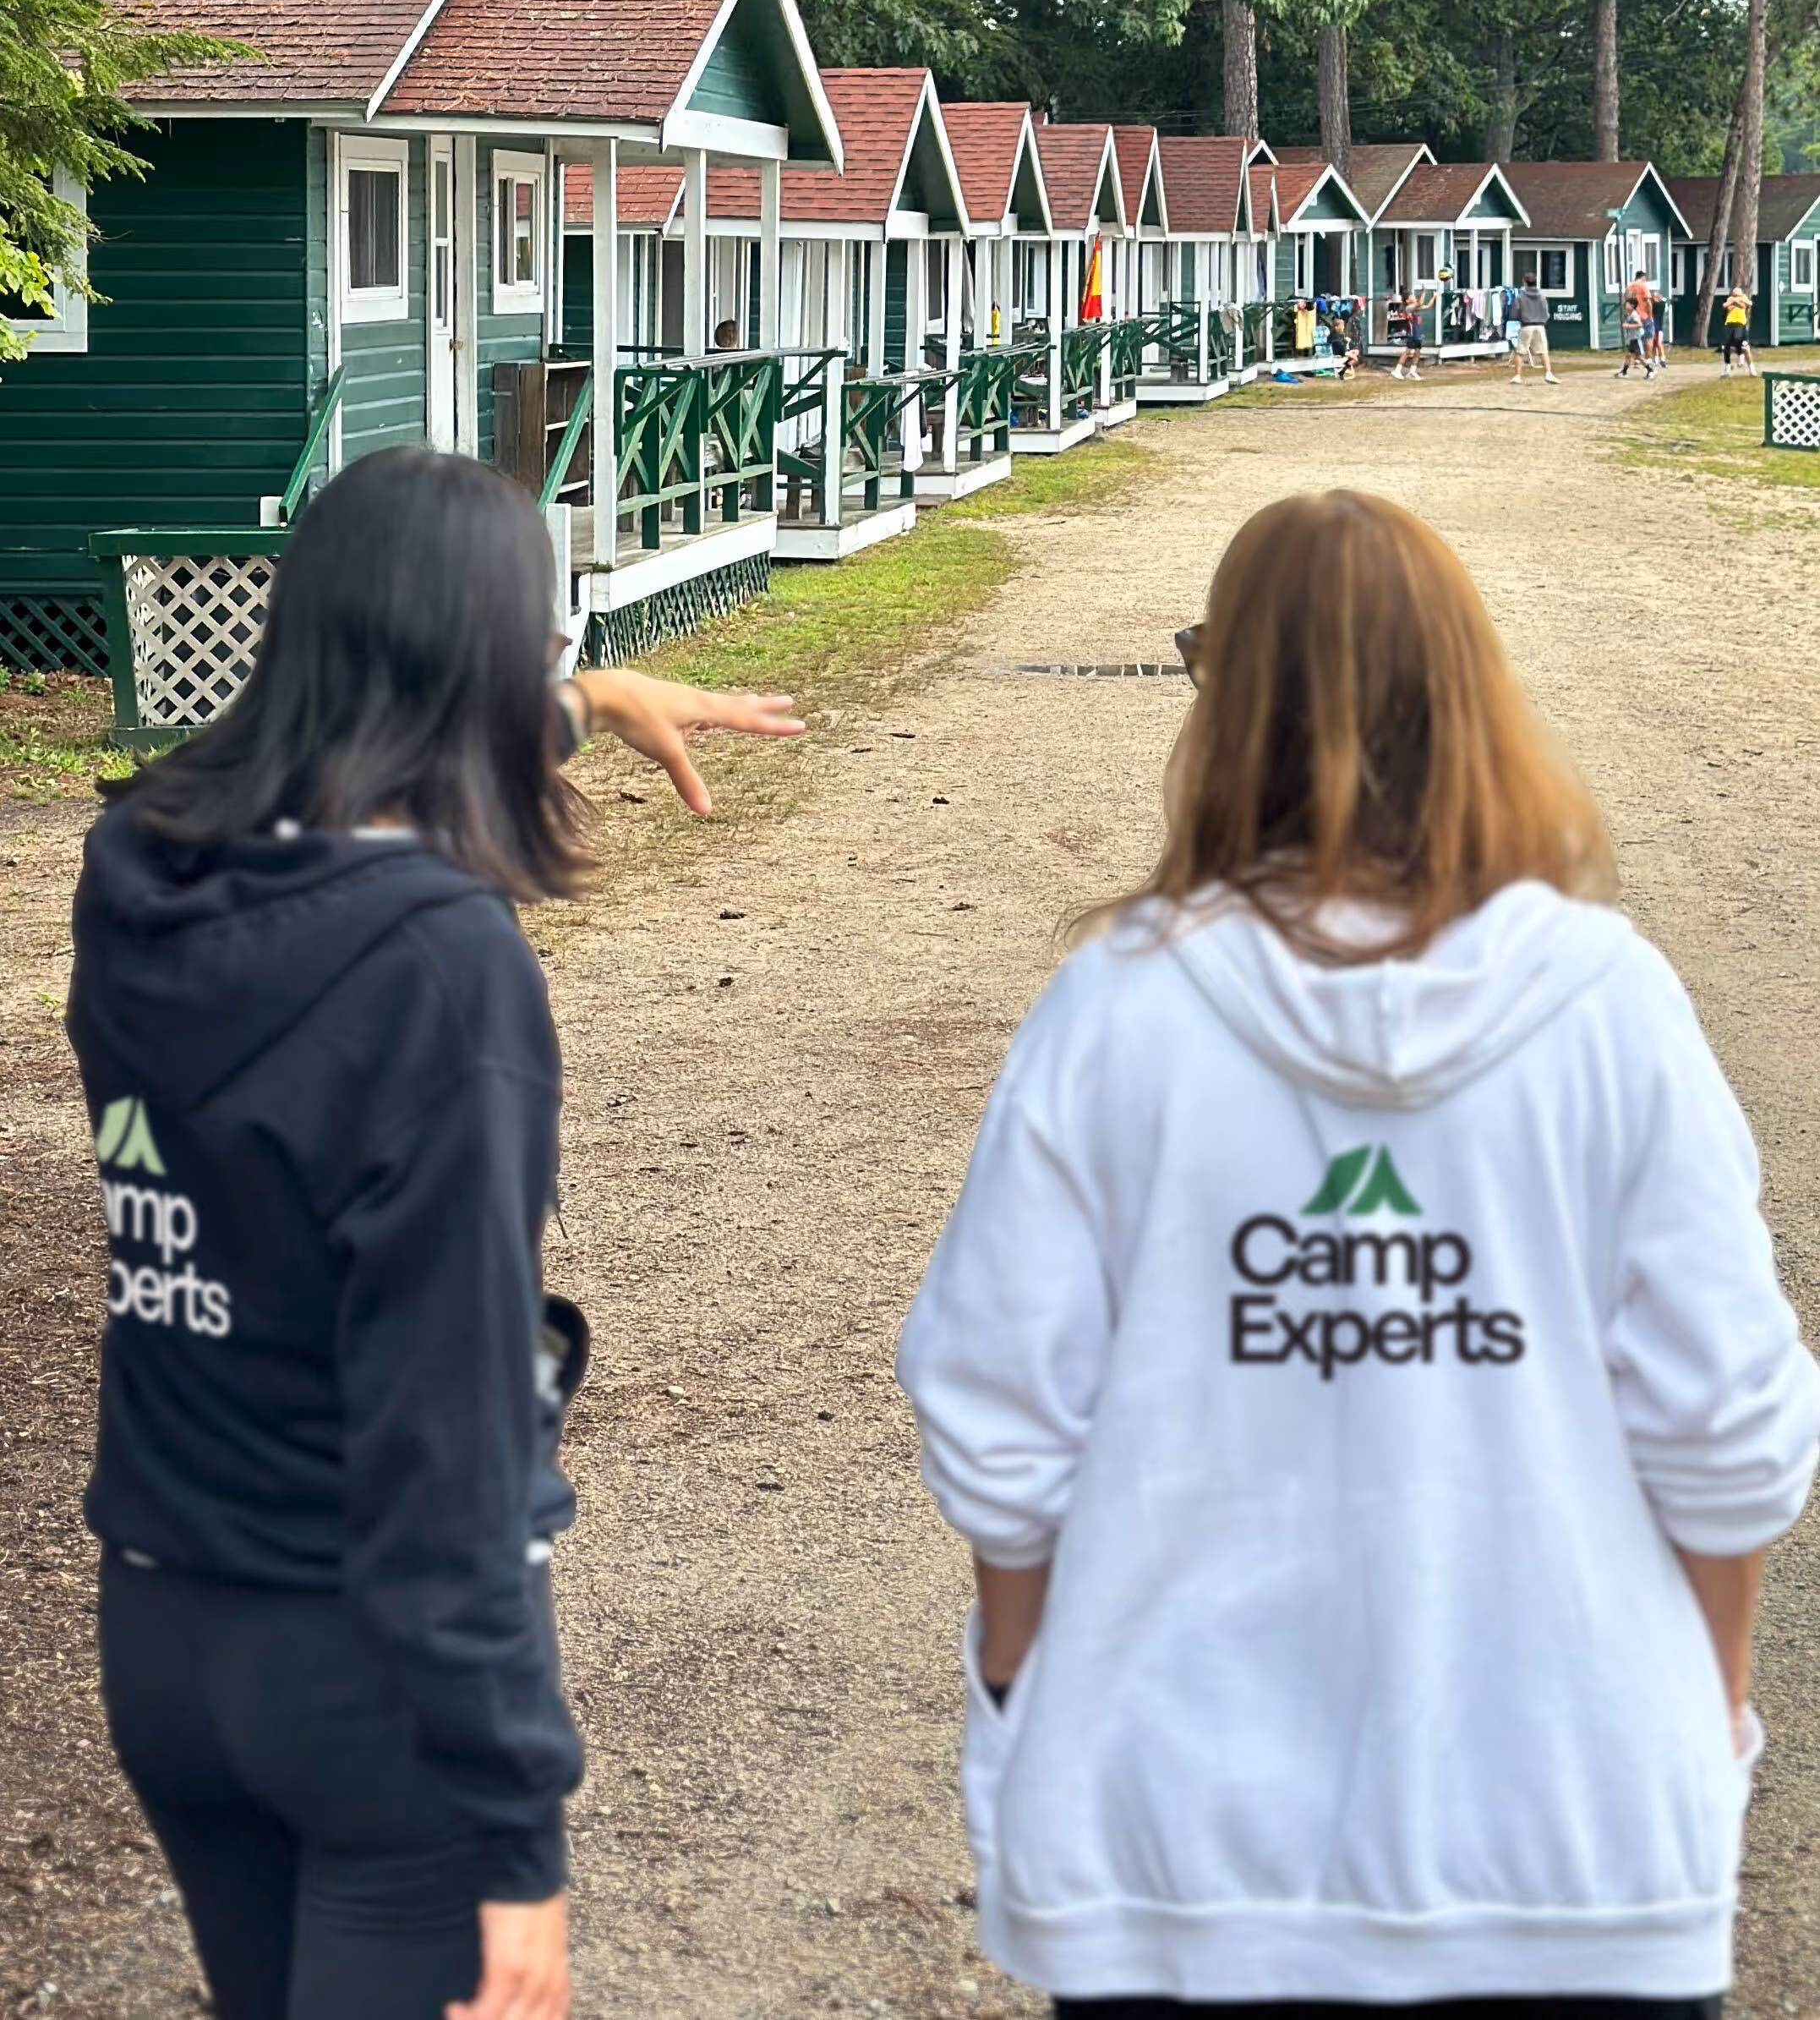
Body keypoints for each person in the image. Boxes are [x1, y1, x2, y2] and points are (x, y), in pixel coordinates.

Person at [899, 489, 1818, 2020]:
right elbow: (1727, 1426)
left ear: (1227, 706)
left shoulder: (1122, 1007)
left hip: (1182, 1867)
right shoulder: (1609, 1006)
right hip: (1572, 1855)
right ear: (1472, 694)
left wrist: (1016, 1708)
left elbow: (999, 1416)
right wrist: (1699, 1721)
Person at [68, 447, 803, 2020]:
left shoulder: (137, 869)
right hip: (364, 1684)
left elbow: (348, 761)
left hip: (168, 1628)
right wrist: (512, 1823)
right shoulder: (441, 974)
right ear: (484, 663)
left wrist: (588, 700)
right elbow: (446, 1431)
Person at [1509, 271, 1559, 383]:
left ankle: (1517, 376)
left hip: (1526, 326)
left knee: (1520, 351)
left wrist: (1520, 319)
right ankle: (1548, 374)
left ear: (1525, 282)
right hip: (1540, 326)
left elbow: (1514, 313)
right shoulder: (1542, 297)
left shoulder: (1520, 297)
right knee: (1543, 351)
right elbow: (1546, 314)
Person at [1388, 287, 1423, 382]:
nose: (1414, 297)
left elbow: (1422, 305)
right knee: (1407, 352)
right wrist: (1423, 292)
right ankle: (1397, 370)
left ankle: (1412, 372)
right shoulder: (1408, 308)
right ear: (1407, 300)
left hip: (1417, 333)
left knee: (1417, 352)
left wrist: (1434, 297)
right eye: (1412, 296)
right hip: (1412, 333)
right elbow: (1419, 303)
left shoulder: (1415, 308)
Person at [1616, 295, 1654, 378]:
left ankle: (1650, 370)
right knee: (1628, 355)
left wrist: (1627, 326)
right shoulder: (1629, 314)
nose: (1625, 306)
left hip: (1636, 339)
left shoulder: (1634, 315)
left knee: (1639, 357)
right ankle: (1624, 372)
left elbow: (1639, 325)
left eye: (1627, 304)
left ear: (1632, 306)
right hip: (1632, 339)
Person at [1720, 287, 1754, 375]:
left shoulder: (1744, 297)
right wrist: (1734, 301)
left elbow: (1747, 304)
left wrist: (1737, 301)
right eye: (1734, 292)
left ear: (1741, 293)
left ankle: (1749, 366)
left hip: (1740, 324)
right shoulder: (1730, 298)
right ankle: (1728, 367)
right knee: (1726, 347)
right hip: (1730, 324)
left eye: (1737, 292)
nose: (1735, 293)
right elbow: (1726, 306)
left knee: (1742, 344)